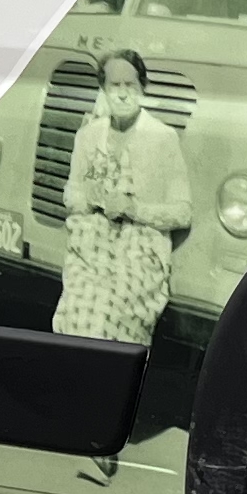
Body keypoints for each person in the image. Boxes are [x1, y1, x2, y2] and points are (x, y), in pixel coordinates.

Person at [55, 48, 194, 342]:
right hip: (91, 246)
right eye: (113, 86)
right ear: (103, 89)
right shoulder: (88, 136)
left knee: (108, 309)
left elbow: (182, 212)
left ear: (142, 87)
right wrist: (88, 198)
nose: (121, 94)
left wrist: (133, 208)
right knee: (77, 309)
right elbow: (70, 195)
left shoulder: (163, 138)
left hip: (140, 248)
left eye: (129, 85)